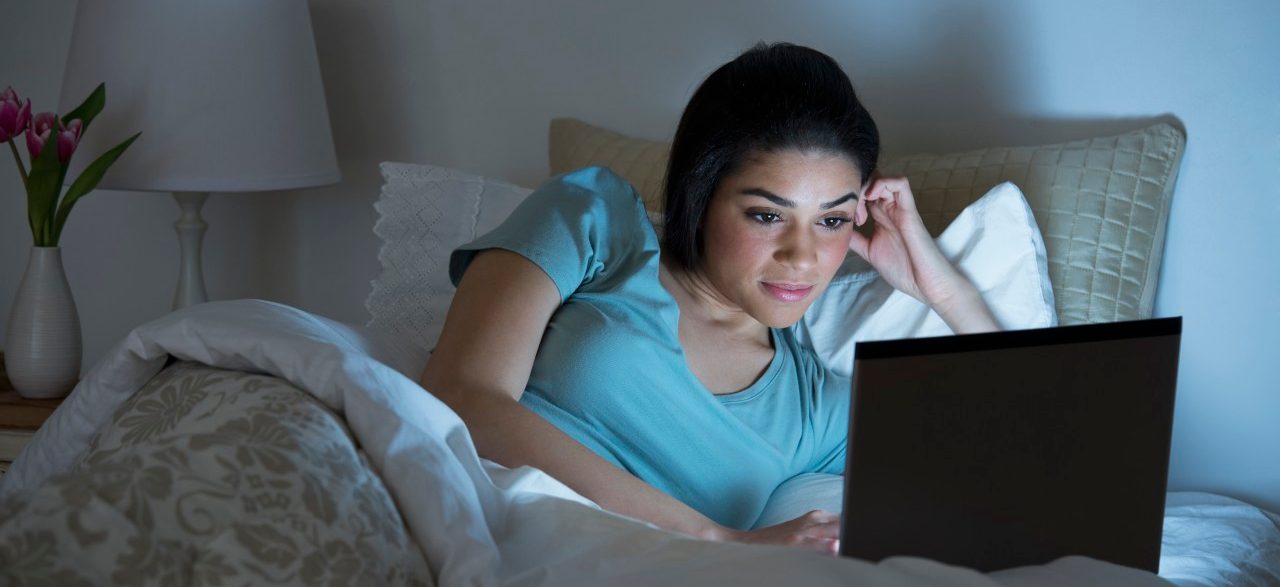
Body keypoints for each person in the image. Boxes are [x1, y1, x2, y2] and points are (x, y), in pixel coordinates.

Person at [420, 42, 999, 555]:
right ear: (702, 193)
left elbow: (1023, 434)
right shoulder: (595, 219)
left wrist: (941, 289)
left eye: (833, 220)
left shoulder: (816, 413)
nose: (803, 256)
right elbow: (463, 395)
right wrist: (720, 541)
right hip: (448, 524)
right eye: (767, 215)